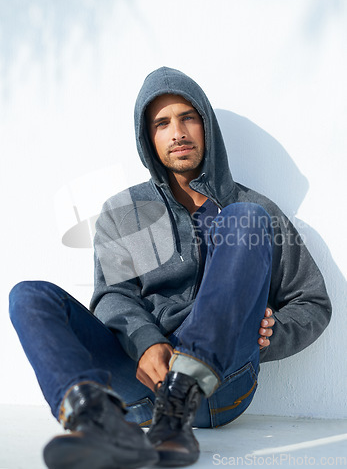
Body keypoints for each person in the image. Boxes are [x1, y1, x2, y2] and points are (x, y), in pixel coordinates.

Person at [9, 67, 332, 469]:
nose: (177, 132)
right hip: (141, 385)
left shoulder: (255, 213)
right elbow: (113, 296)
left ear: (206, 127)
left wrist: (267, 332)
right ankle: (95, 423)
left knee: (243, 217)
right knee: (29, 296)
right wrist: (145, 342)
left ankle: (184, 396)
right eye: (162, 123)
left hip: (220, 385)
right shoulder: (124, 211)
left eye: (188, 118)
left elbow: (313, 302)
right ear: (149, 138)